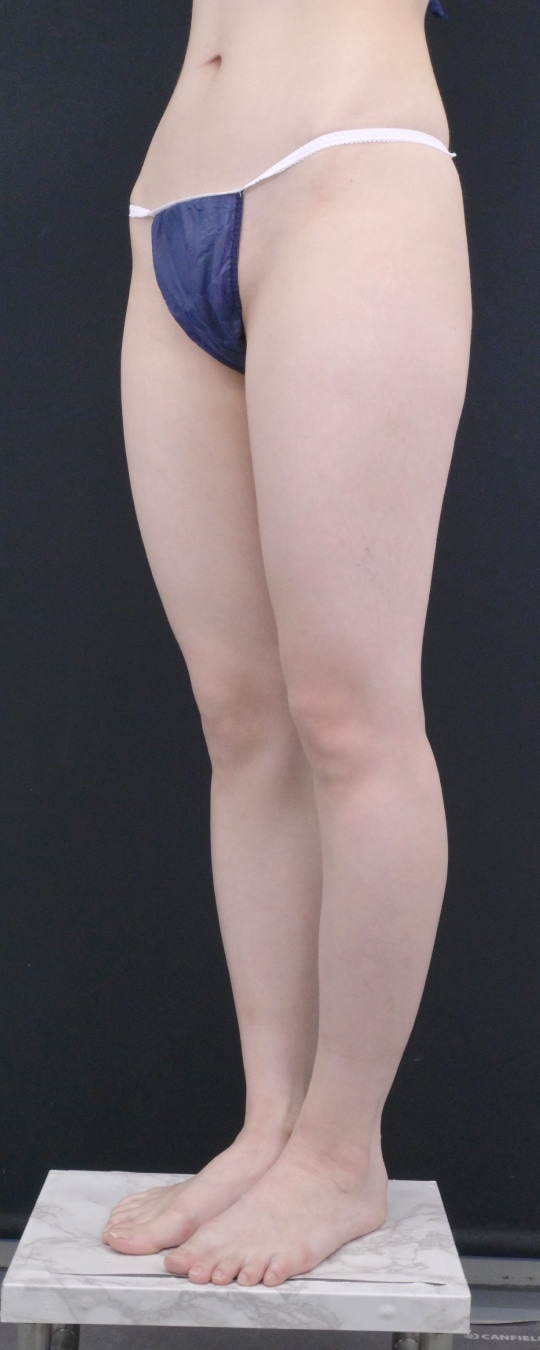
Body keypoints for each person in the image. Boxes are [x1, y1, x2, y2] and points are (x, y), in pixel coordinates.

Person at [102, 0, 472, 1288]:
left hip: (345, 173)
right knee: (240, 714)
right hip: (170, 201)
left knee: (349, 716)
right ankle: (270, 1125)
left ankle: (339, 1150)